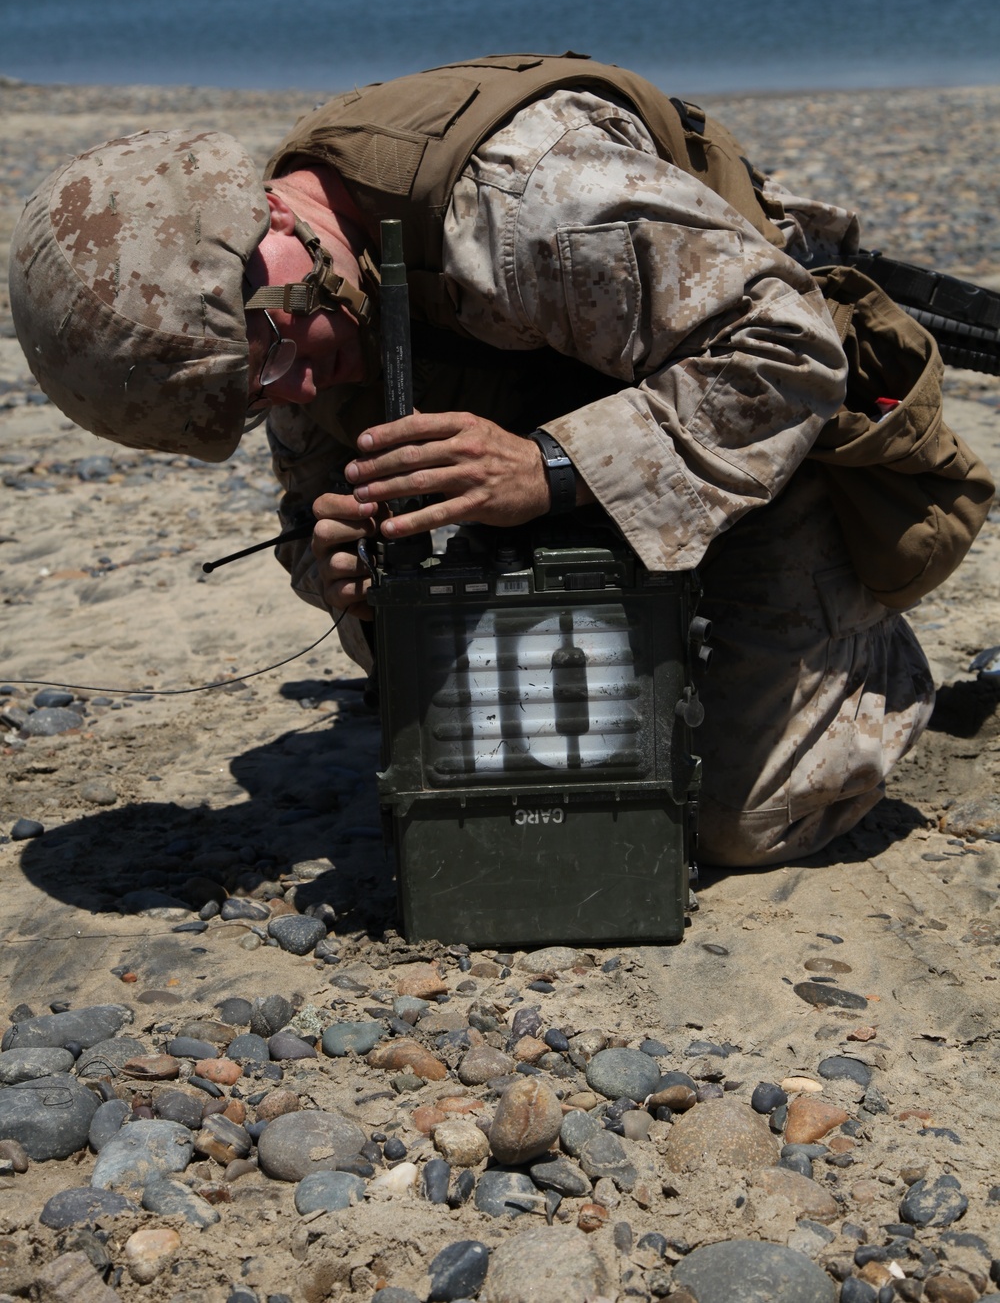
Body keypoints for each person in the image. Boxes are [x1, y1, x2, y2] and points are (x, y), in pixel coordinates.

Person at [8, 54, 939, 868]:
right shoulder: (283, 316)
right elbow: (309, 503)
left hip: (742, 395)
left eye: (272, 357)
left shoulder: (528, 198)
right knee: (503, 774)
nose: (290, 391)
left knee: (740, 818)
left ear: (266, 226)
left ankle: (862, 656)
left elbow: (790, 350)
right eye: (255, 399)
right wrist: (339, 567)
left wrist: (550, 472)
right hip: (570, 420)